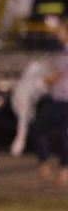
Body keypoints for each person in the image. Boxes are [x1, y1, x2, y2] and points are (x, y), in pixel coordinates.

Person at [33, 17, 68, 185]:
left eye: (61, 30)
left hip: (62, 100)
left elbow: (57, 75)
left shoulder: (66, 52)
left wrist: (38, 83)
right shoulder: (62, 51)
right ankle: (61, 171)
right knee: (63, 135)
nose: (58, 34)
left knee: (38, 128)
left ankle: (46, 165)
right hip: (60, 98)